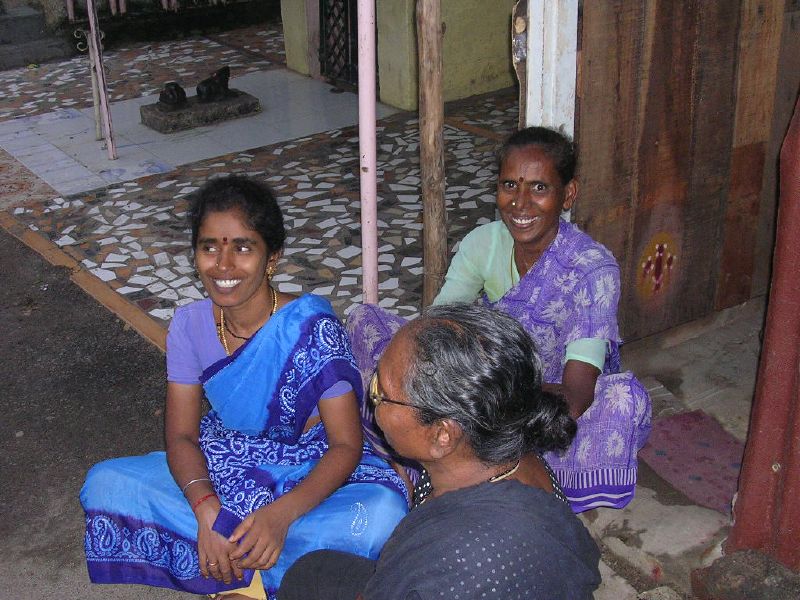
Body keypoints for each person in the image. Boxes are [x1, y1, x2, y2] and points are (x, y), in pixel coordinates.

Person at [80, 176, 408, 599]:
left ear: (272, 258)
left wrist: (280, 517)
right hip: (228, 463)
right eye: (209, 246)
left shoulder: (311, 326)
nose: (223, 264)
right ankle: (250, 557)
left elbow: (345, 445)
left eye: (243, 246)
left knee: (379, 516)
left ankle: (243, 565)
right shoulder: (189, 326)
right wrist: (205, 510)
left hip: (313, 470)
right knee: (104, 484)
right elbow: (181, 435)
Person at [347, 126, 651, 512]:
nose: (520, 203)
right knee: (364, 322)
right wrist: (462, 389)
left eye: (539, 188)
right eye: (510, 185)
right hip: (479, 381)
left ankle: (483, 468)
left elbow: (575, 396)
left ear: (568, 194)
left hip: (542, 399)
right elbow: (434, 331)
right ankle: (426, 458)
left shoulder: (592, 270)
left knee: (623, 400)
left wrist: (484, 406)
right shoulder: (482, 243)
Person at [279, 304, 602, 600]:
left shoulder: (459, 558)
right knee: (316, 570)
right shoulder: (501, 448)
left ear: (442, 435)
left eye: (382, 393)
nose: (371, 396)